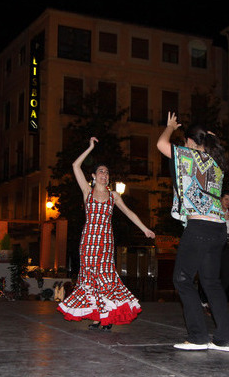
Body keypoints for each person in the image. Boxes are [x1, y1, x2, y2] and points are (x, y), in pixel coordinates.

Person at [57, 137, 156, 331]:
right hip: (88, 242)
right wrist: (90, 147)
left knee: (106, 278)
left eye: (107, 172)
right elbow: (75, 165)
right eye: (101, 171)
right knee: (90, 279)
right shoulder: (87, 191)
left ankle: (107, 317)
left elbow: (128, 212)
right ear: (93, 176)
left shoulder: (113, 196)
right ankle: (98, 318)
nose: (104, 174)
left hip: (105, 242)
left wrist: (144, 228)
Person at [157, 112, 229, 351]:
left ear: (190, 141)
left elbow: (161, 145)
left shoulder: (187, 155)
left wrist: (169, 127)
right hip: (218, 228)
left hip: (199, 227)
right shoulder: (217, 162)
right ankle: (224, 339)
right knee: (211, 282)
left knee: (182, 279)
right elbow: (213, 143)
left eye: (185, 140)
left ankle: (199, 337)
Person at [198, 190, 229, 308]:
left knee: (227, 275)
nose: (228, 202)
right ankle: (203, 299)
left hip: (224, 246)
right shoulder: (213, 213)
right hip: (211, 245)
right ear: (220, 200)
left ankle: (213, 298)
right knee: (209, 272)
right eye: (226, 199)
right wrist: (222, 219)